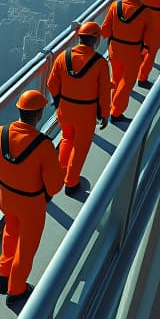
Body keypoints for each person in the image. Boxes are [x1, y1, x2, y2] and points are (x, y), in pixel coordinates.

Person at [0, 89, 63, 305]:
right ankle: (16, 289)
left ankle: (4, 276)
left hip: (6, 199)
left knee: (11, 233)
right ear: (38, 115)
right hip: (31, 204)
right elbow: (55, 185)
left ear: (19, 109)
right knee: (26, 247)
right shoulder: (44, 146)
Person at [46, 21, 111, 195]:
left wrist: (59, 100)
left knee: (67, 139)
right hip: (86, 112)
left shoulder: (63, 57)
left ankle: (60, 175)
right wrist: (104, 114)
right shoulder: (100, 63)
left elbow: (51, 83)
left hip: (65, 109)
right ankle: (71, 182)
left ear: (79, 38)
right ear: (96, 40)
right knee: (80, 147)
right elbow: (104, 93)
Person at [100, 0, 158, 122]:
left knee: (117, 79)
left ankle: (110, 107)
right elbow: (149, 37)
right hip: (132, 52)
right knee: (126, 83)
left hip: (114, 50)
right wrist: (146, 51)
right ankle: (116, 113)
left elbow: (105, 31)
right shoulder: (146, 12)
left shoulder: (115, 6)